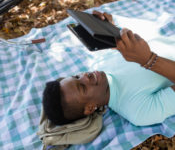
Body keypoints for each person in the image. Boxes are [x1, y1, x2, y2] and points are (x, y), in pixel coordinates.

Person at [42, 11, 175, 126]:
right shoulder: (138, 111)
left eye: (77, 76)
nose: (85, 76)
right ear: (90, 108)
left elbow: (132, 45)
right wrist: (148, 60)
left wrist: (109, 28)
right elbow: (145, 57)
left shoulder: (101, 64)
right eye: (82, 87)